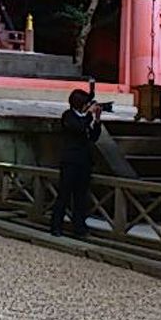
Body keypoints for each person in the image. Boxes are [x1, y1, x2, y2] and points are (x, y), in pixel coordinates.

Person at [50, 88, 103, 239]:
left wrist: (97, 120)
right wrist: (88, 115)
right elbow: (78, 129)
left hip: (84, 161)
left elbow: (93, 137)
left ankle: (79, 227)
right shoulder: (68, 116)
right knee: (64, 196)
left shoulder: (85, 118)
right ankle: (56, 226)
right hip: (70, 161)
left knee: (81, 198)